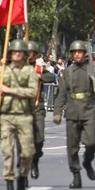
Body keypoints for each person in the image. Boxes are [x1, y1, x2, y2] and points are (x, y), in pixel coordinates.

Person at [0, 39, 38, 190]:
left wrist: (10, 90)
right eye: (14, 52)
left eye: (20, 52)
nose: (17, 54)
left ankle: (23, 176)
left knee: (27, 152)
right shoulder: (3, 72)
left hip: (24, 115)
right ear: (10, 54)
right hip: (7, 116)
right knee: (8, 151)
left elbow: (32, 92)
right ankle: (9, 185)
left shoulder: (29, 71)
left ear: (24, 54)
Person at [53, 41, 95, 189]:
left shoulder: (91, 69)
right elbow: (61, 93)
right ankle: (76, 174)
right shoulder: (68, 71)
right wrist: (57, 112)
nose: (77, 54)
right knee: (72, 147)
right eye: (74, 52)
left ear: (84, 53)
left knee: (91, 142)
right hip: (73, 110)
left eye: (79, 52)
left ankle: (87, 162)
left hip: (88, 109)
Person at [27, 41, 57, 180]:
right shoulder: (17, 68)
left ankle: (35, 161)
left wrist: (39, 77)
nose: (29, 56)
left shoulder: (38, 68)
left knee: (39, 139)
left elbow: (51, 77)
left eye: (32, 53)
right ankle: (23, 168)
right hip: (20, 108)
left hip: (37, 106)